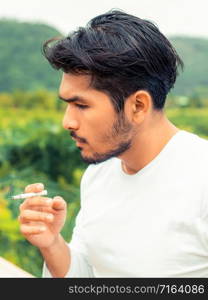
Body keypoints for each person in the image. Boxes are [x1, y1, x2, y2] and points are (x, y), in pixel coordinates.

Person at [18, 10, 208, 278]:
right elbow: (87, 276)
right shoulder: (99, 174)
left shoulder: (201, 181)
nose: (67, 122)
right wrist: (52, 244)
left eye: (81, 105)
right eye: (67, 104)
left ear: (138, 106)